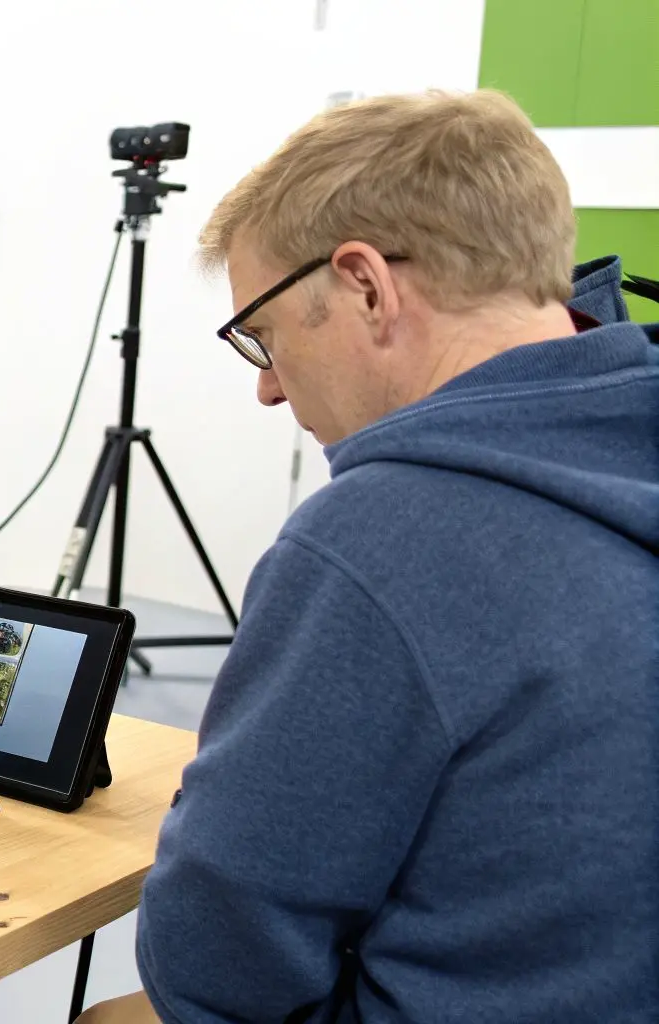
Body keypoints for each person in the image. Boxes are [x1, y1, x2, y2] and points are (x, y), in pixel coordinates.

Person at [79, 89, 657, 1022]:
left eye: (259, 336)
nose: (267, 389)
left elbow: (217, 958)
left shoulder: (381, 540)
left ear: (365, 286)